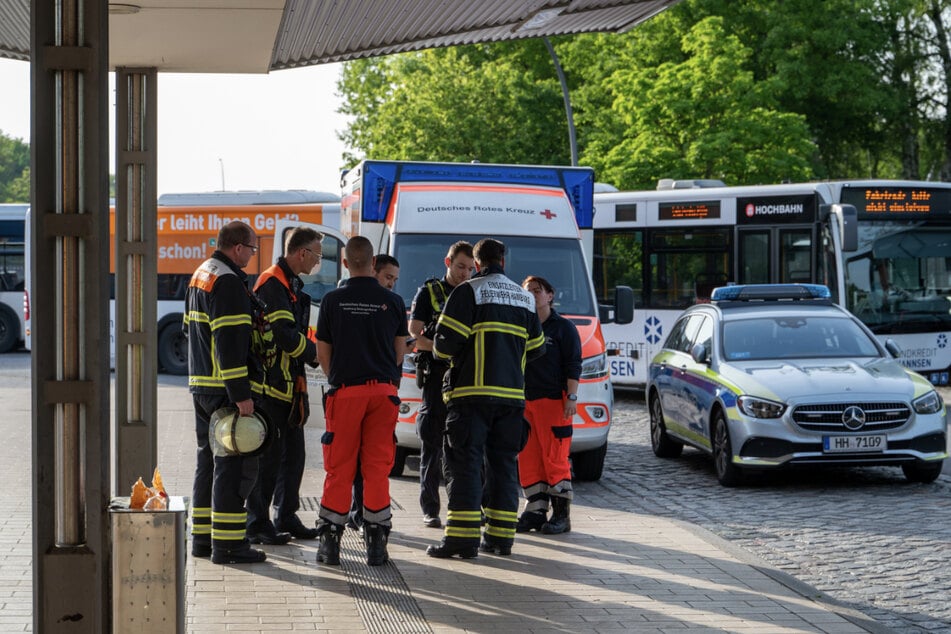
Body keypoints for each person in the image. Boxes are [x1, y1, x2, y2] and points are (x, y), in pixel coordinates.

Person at [426, 238, 545, 559]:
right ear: (503, 262)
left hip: (470, 397)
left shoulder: (468, 291)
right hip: (511, 401)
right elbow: (537, 349)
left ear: (477, 264)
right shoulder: (524, 298)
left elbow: (443, 347)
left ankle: (462, 541)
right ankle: (500, 539)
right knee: (504, 467)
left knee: (464, 466)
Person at [314, 237, 409, 566]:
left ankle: (329, 544)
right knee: (377, 468)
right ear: (372, 263)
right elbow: (400, 351)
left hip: (346, 392)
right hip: (383, 393)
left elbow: (322, 352)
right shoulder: (394, 302)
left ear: (345, 263)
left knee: (339, 468)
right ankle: (376, 544)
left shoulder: (331, 300)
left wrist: (338, 376)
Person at [185, 220, 267, 564]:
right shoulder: (229, 282)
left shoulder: (201, 273)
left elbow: (190, 331)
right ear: (237, 248)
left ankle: (203, 539)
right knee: (232, 466)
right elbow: (229, 342)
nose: (252, 255)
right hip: (225, 390)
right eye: (251, 249)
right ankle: (230, 544)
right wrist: (241, 393)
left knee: (208, 461)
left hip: (202, 385)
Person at [245, 227, 323, 545]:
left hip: (289, 387)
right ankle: (258, 523)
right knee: (269, 459)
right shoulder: (272, 283)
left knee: (294, 456)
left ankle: (286, 515)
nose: (318, 262)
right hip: (269, 387)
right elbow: (284, 335)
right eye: (317, 255)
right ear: (301, 253)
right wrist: (319, 354)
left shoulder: (290, 284)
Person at [408, 241, 474, 529]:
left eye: (471, 269)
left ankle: (463, 508)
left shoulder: (473, 293)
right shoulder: (429, 292)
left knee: (464, 447)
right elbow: (413, 336)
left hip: (464, 379)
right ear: (448, 263)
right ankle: (430, 509)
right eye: (461, 267)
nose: (465, 273)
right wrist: (442, 349)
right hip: (436, 378)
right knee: (432, 445)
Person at [516, 275, 581, 535]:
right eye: (527, 291)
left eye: (537, 290)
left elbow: (574, 364)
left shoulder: (563, 328)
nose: (532, 294)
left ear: (550, 295)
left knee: (555, 459)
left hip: (555, 402)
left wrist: (572, 399)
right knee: (529, 459)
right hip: (526, 402)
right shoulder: (522, 325)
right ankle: (535, 511)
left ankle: (562, 516)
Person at [347, 252, 402, 534]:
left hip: (383, 392)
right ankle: (360, 513)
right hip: (361, 390)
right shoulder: (363, 304)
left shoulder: (391, 305)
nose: (391, 283)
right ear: (373, 271)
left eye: (394, 279)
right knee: (355, 458)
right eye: (387, 277)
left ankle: (365, 513)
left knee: (374, 460)